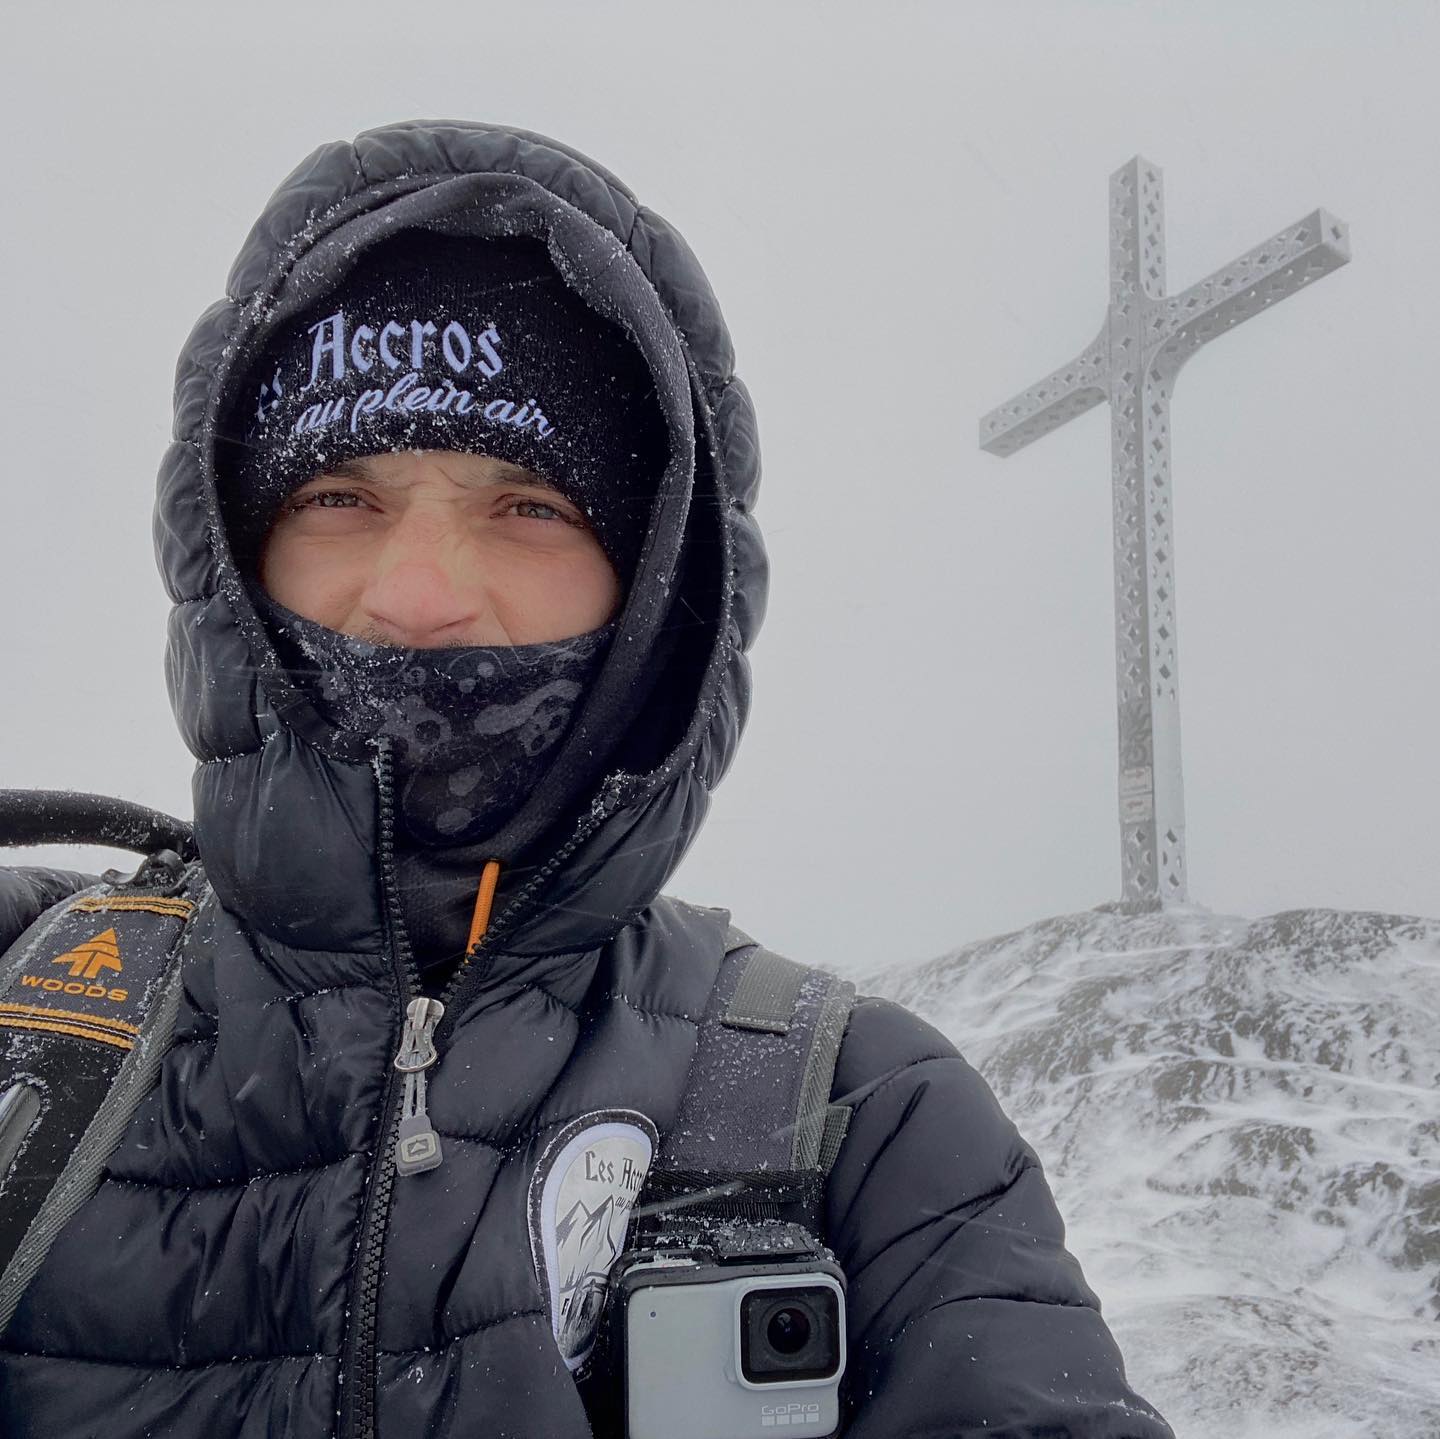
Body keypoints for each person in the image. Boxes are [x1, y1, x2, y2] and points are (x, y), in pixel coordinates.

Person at [0, 119, 1173, 1438]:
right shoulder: (24, 1004)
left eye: (530, 508)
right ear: (231, 555)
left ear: (655, 598)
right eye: (338, 497)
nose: (419, 595)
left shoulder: (865, 1119)